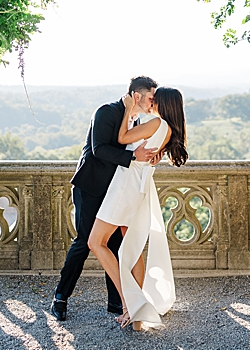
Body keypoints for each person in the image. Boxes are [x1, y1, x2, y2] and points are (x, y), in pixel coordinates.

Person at [50, 76, 159, 322]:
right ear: (137, 96)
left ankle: (117, 303)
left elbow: (138, 148)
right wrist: (133, 158)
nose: (153, 104)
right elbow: (99, 148)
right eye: (151, 98)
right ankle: (60, 297)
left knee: (117, 244)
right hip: (90, 187)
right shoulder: (106, 111)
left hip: (117, 190)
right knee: (85, 242)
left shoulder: (140, 120)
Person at [88, 86, 189, 330]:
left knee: (96, 242)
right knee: (130, 245)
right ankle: (135, 311)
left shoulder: (156, 124)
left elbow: (122, 138)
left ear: (164, 104)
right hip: (136, 187)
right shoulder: (167, 129)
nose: (153, 102)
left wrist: (126, 110)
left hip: (126, 186)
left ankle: (131, 305)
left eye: (157, 99)